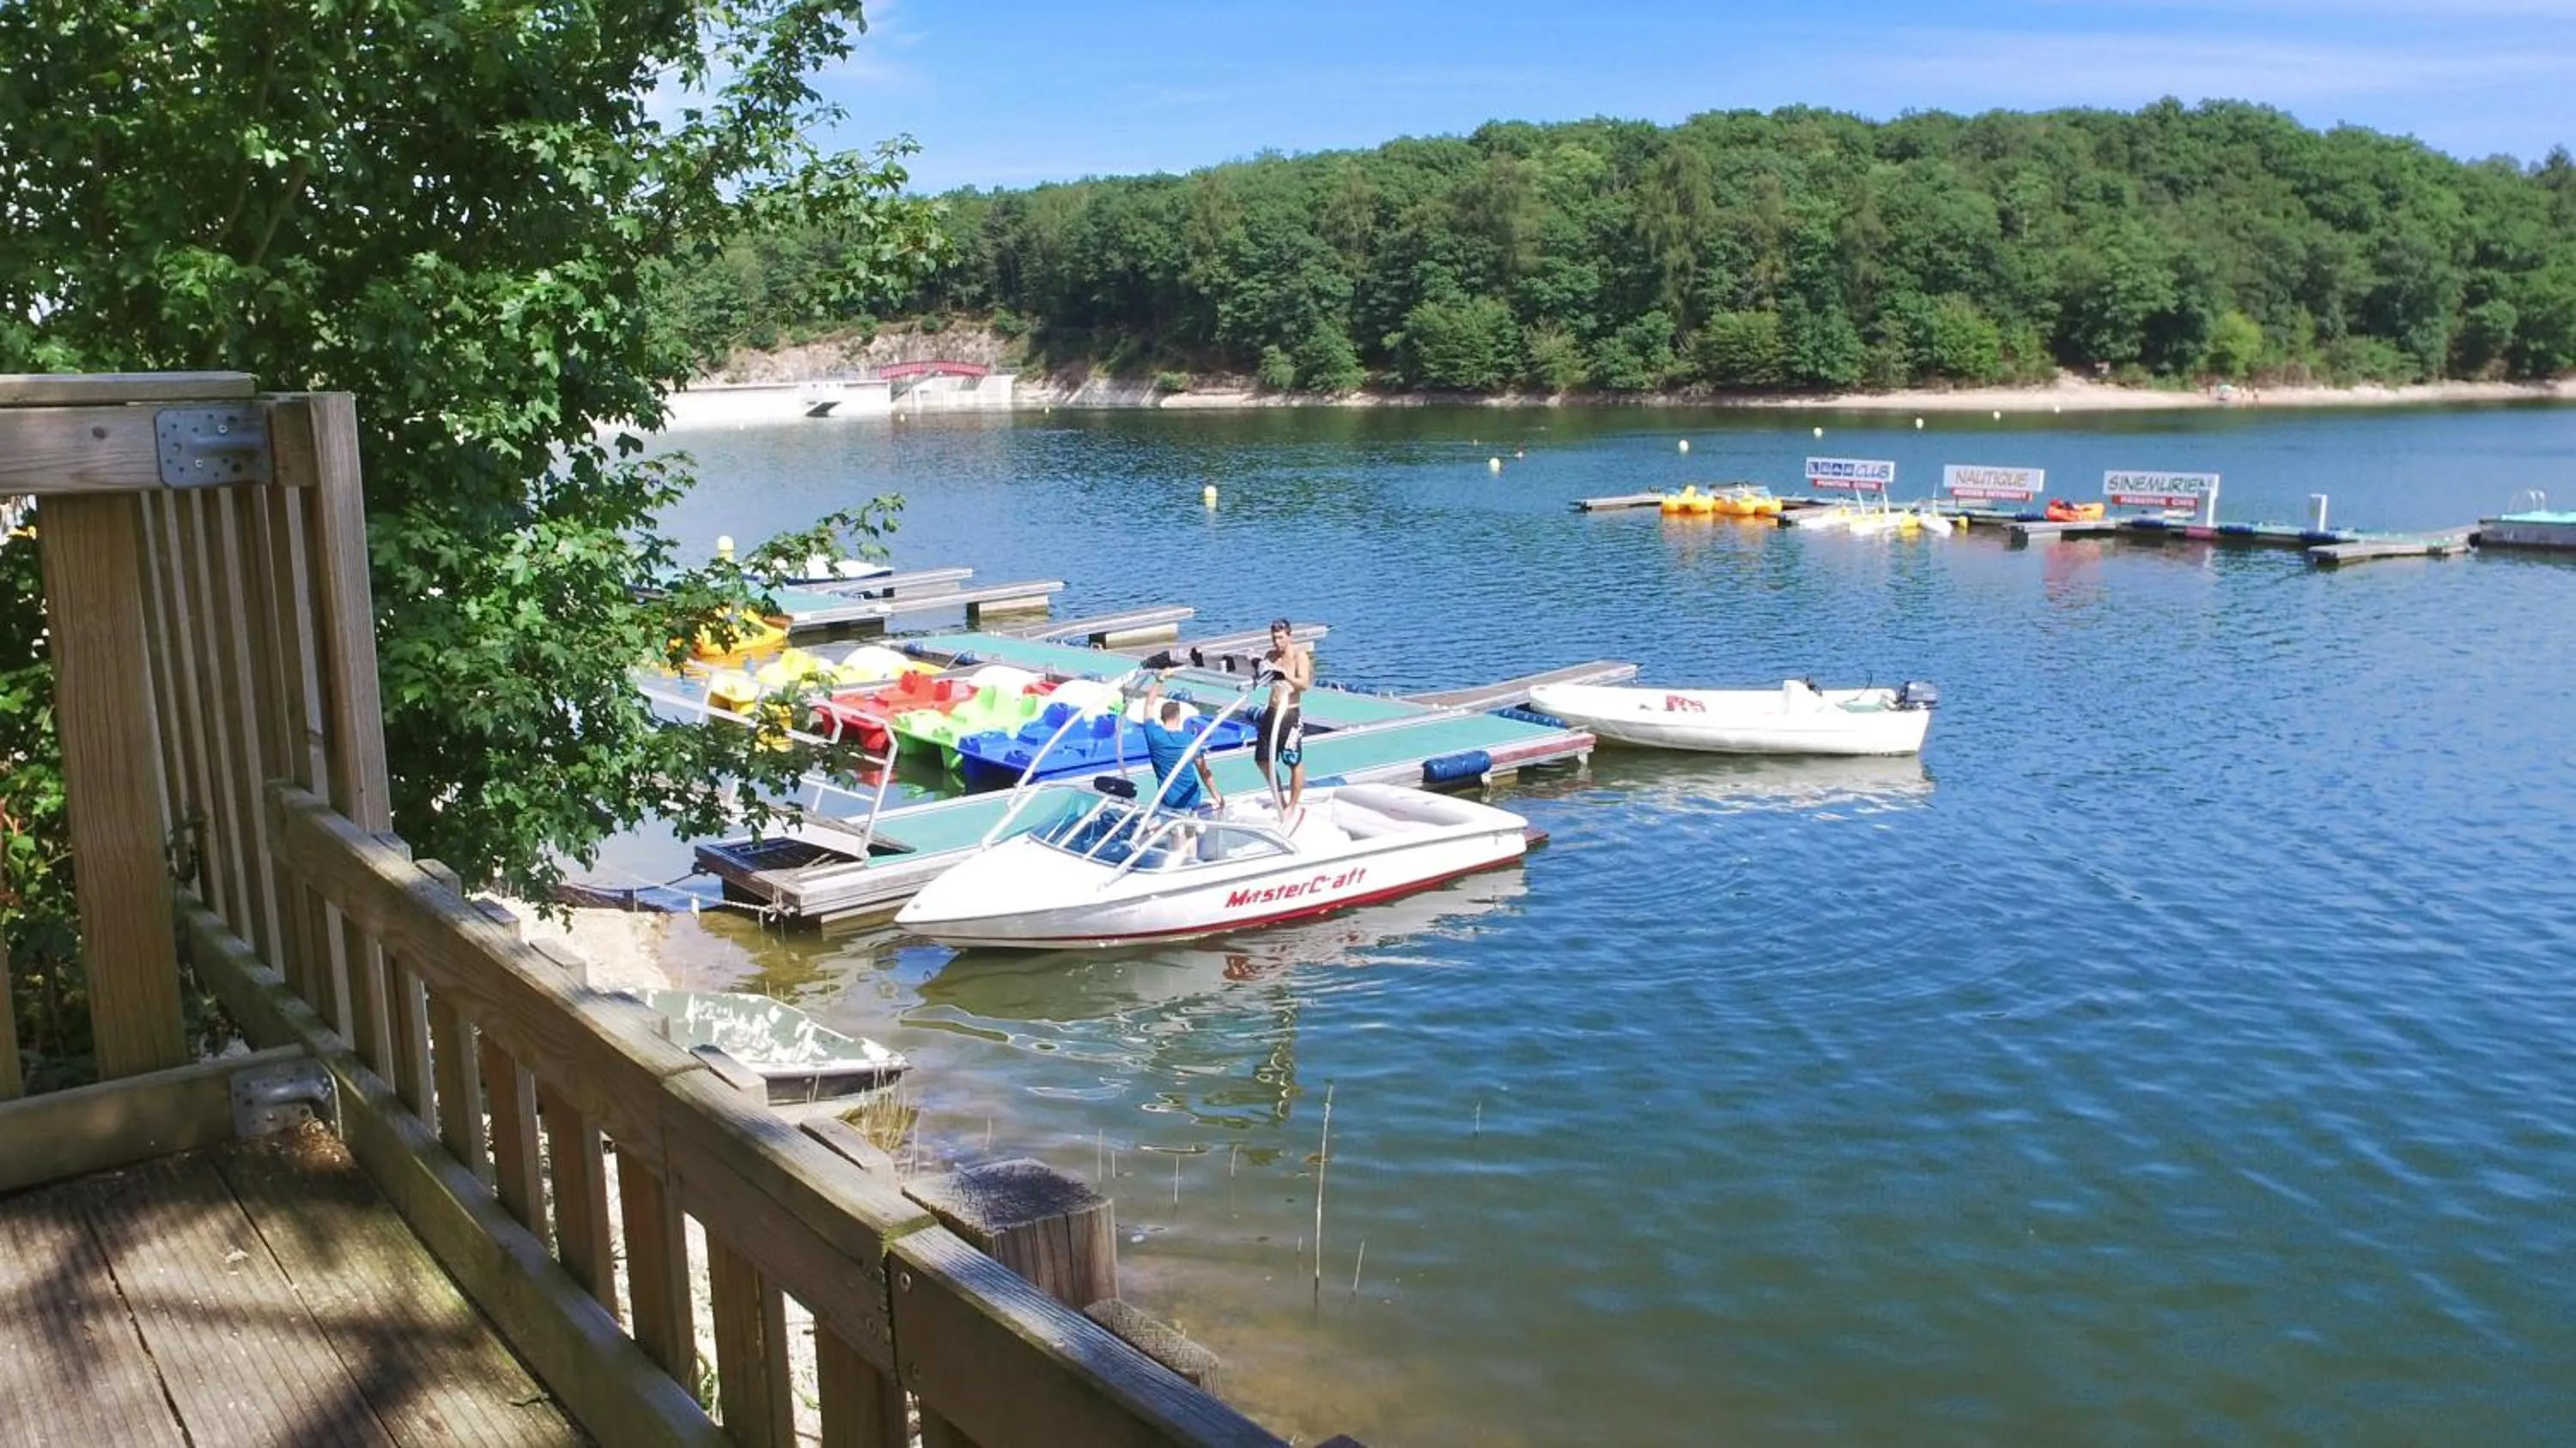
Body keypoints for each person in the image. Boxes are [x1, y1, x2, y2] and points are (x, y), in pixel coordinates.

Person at [1251, 618, 1312, 816]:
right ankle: (1280, 797)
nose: (1277, 642)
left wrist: (1284, 675)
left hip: (1290, 713)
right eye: (1274, 638)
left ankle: (1293, 805)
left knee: (1292, 759)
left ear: (1289, 636)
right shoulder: (1271, 655)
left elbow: (1304, 685)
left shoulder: (1299, 656)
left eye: (1280, 638)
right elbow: (1265, 677)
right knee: (1262, 758)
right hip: (1272, 711)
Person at [1139, 679, 1222, 815]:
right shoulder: (1189, 739)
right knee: (1190, 833)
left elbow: (1149, 705)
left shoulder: (1154, 736)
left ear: (1161, 717)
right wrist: (1216, 796)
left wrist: (1160, 679)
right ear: (1178, 716)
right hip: (1189, 800)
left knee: (1175, 831)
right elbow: (1204, 771)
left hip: (1167, 799)